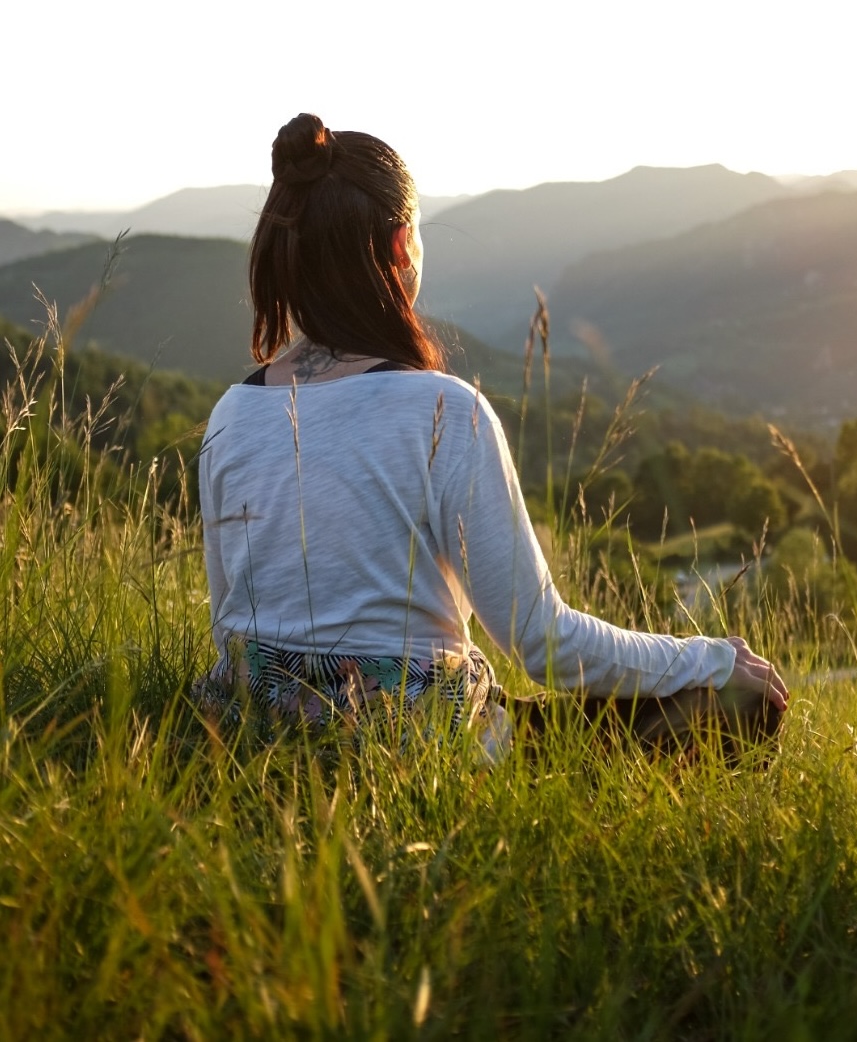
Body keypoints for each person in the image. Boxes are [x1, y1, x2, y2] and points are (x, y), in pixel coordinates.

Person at [194, 112, 788, 761]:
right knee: (743, 699)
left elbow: (236, 632)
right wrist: (708, 658)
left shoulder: (231, 413)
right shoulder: (444, 410)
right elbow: (542, 643)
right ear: (400, 248)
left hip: (261, 744)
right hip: (424, 753)